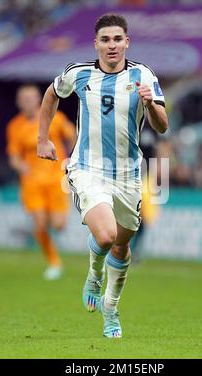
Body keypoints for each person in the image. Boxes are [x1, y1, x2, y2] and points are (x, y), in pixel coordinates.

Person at [37, 14, 168, 337]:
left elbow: (162, 126)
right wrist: (43, 137)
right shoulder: (79, 74)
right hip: (87, 168)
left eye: (117, 39)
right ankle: (94, 275)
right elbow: (53, 94)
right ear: (96, 43)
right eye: (105, 40)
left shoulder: (143, 75)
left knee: (122, 247)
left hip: (127, 174)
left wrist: (150, 104)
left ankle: (111, 308)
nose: (112, 45)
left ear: (127, 42)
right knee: (107, 235)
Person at [6, 84, 76, 280]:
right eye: (23, 99)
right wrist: (22, 167)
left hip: (56, 180)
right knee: (39, 223)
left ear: (39, 100)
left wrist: (73, 159)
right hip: (32, 183)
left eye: (31, 98)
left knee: (59, 225)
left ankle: (53, 238)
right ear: (18, 102)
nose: (27, 102)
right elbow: (14, 156)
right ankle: (54, 262)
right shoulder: (15, 126)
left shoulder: (55, 118)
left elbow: (72, 136)